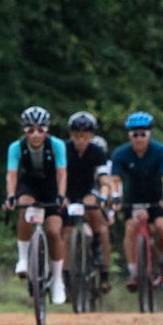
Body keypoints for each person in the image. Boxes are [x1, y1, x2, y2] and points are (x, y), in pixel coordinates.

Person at [3, 106, 68, 305]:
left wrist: (61, 195)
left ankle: (57, 280)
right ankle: (22, 258)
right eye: (31, 130)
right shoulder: (16, 147)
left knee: (54, 231)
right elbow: (12, 174)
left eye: (41, 129)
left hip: (51, 187)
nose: (36, 134)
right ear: (25, 130)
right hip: (29, 186)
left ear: (47, 130)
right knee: (24, 207)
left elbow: (62, 172)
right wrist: (11, 196)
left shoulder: (57, 145)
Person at [110, 110, 163, 291]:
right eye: (135, 134)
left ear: (149, 133)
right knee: (130, 228)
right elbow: (114, 179)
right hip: (133, 199)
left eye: (143, 134)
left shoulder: (160, 151)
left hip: (156, 199)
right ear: (129, 135)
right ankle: (133, 271)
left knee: (161, 226)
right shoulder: (121, 153)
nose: (139, 138)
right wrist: (115, 196)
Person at [64, 111, 112, 291]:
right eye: (77, 135)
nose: (80, 140)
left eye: (84, 136)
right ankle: (66, 277)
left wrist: (103, 194)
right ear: (71, 135)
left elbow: (104, 178)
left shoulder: (97, 151)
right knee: (67, 235)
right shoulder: (63, 149)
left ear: (91, 136)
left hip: (88, 192)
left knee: (93, 205)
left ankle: (97, 242)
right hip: (67, 195)